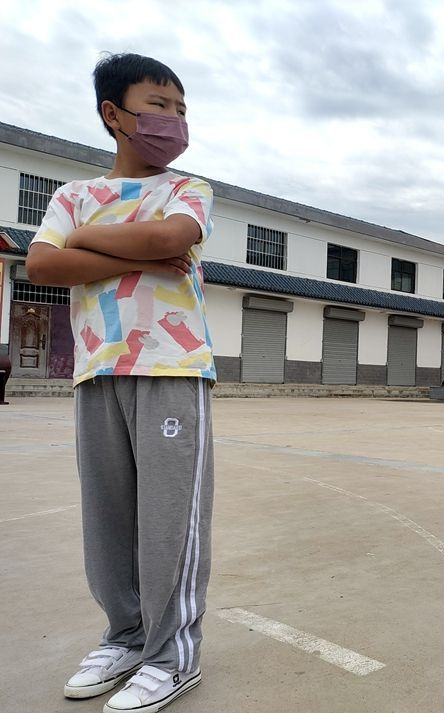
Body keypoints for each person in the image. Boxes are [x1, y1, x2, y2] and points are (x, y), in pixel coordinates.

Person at [25, 54, 214, 712]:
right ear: (114, 113)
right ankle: (127, 636)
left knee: (168, 521)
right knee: (107, 518)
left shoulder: (188, 188)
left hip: (171, 367)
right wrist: (142, 253)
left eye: (181, 109)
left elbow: (175, 235)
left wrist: (87, 244)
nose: (173, 119)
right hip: (97, 369)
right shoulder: (72, 197)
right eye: (158, 105)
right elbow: (42, 263)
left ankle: (173, 653)